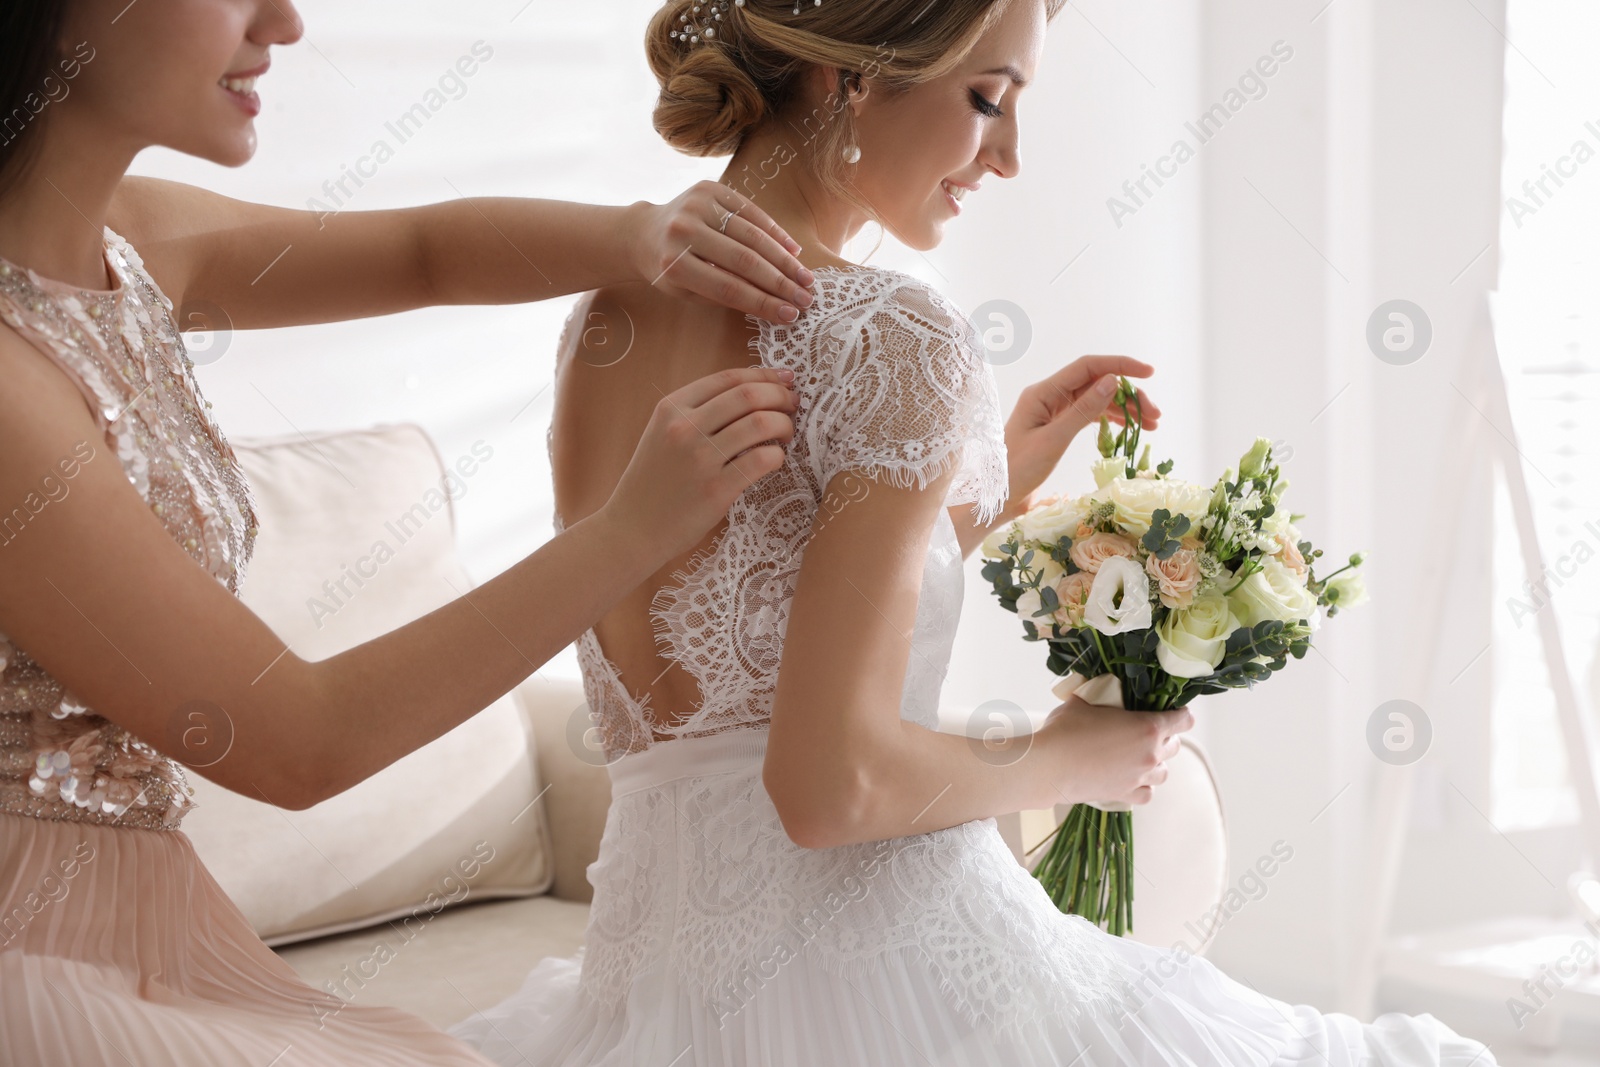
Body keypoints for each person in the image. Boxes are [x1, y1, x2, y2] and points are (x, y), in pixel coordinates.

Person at [449, 0, 1499, 1064]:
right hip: (886, 976)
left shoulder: (606, 315)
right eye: (987, 100)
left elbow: (729, 626)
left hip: (653, 999)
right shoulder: (897, 331)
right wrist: (1065, 757)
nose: (1005, 156)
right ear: (848, 76)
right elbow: (826, 787)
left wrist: (983, 479)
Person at [0, 1, 817, 1063]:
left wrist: (641, 233)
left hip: (145, 930)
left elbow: (426, 251)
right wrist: (629, 530)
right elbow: (299, 737)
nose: (284, 23)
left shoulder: (134, 240)